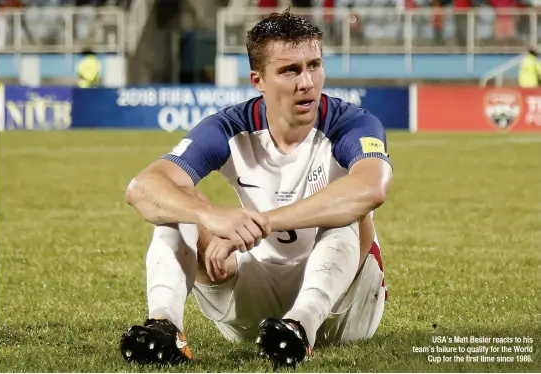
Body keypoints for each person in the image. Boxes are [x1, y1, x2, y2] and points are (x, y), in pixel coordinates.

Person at [121, 8, 393, 369]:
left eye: (314, 65)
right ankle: (164, 327)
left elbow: (371, 188)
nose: (307, 82)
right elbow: (142, 188)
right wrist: (211, 216)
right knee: (176, 207)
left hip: (342, 309)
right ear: (258, 79)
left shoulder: (352, 123)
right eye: (290, 70)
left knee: (345, 206)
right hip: (251, 296)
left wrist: (259, 223)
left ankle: (301, 324)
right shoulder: (229, 126)